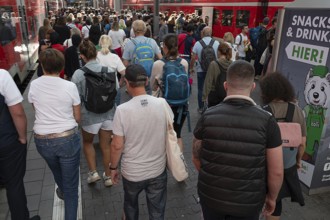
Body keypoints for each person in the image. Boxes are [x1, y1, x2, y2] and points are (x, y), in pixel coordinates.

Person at [193, 60, 284, 220]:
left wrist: (212, 178)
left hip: (211, 197)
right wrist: (272, 198)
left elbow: (196, 156)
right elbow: (276, 172)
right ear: (253, 86)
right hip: (248, 203)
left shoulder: (207, 116)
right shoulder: (268, 121)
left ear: (226, 85)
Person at [110, 64, 169, 220]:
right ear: (147, 81)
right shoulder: (161, 103)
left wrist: (113, 167)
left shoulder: (122, 110)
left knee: (130, 207)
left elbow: (117, 145)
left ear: (127, 83)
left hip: (133, 172)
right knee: (157, 212)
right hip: (157, 169)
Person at [28, 48, 81, 220]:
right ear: (62, 66)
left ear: (42, 66)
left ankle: (63, 189)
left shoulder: (34, 85)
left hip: (42, 140)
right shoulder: (70, 86)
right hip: (67, 138)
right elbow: (78, 117)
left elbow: (36, 110)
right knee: (72, 187)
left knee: (56, 170)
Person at [72, 39, 119, 187]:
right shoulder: (109, 71)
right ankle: (107, 176)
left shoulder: (79, 74)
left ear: (82, 56)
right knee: (106, 145)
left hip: (89, 116)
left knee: (87, 142)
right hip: (108, 113)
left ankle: (93, 173)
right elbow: (116, 89)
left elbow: (76, 98)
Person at [260, 72, 306, 220]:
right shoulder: (298, 111)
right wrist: (298, 161)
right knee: (276, 199)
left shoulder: (262, 111)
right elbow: (302, 143)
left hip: (264, 166)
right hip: (287, 166)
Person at [0, 70, 40, 220]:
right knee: (13, 184)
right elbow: (17, 112)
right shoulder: (2, 76)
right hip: (5, 141)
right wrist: (23, 137)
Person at [150, 33, 189, 152]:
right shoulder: (184, 63)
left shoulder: (158, 64)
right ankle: (179, 161)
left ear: (164, 47)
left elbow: (153, 86)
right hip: (181, 105)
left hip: (164, 105)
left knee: (162, 135)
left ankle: (164, 161)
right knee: (178, 135)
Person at [190, 26, 220, 113]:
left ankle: (201, 107)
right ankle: (211, 107)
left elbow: (193, 58)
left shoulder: (198, 43)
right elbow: (218, 57)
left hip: (200, 69)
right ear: (211, 33)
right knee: (212, 88)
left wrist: (191, 68)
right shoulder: (216, 43)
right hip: (213, 70)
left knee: (200, 89)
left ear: (202, 33)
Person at [203, 43, 232, 107]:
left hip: (214, 95)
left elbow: (208, 81)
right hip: (227, 94)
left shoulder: (214, 64)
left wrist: (204, 97)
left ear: (219, 52)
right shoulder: (232, 64)